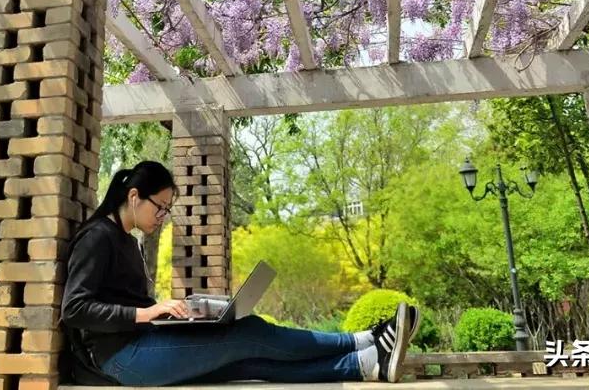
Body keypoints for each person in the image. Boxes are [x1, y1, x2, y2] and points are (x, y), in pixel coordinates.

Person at [62, 160, 421, 385]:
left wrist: (183, 314)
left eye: (167, 210)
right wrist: (148, 312)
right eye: (161, 207)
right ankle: (363, 339)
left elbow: (123, 303)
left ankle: (366, 364)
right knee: (249, 331)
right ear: (134, 196)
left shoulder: (126, 241)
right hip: (121, 359)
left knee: (248, 361)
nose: (163, 216)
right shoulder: (97, 237)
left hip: (141, 345)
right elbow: (75, 309)